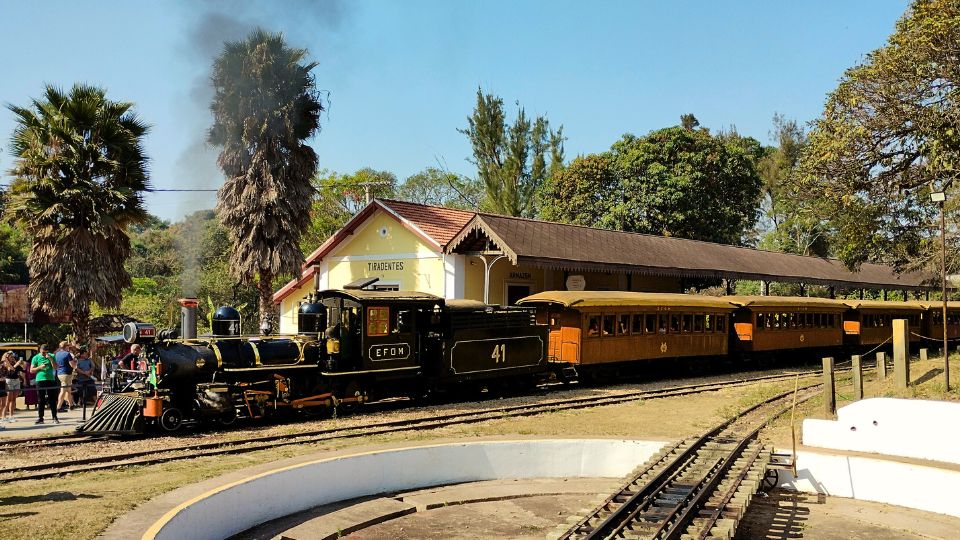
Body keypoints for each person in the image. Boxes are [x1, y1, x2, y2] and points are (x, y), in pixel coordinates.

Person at [30, 344, 58, 424]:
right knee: (41, 400)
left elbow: (55, 367)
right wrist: (39, 367)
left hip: (50, 379)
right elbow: (31, 370)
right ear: (40, 350)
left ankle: (54, 417)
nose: (44, 354)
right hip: (40, 380)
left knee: (52, 399)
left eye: (46, 352)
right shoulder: (35, 357)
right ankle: (40, 418)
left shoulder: (52, 356)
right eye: (43, 352)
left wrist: (51, 359)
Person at [0, 352, 25, 422]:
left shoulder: (15, 362)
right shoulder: (4, 364)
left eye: (12, 356)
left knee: (13, 399)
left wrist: (22, 364)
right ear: (6, 357)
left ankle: (11, 416)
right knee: (8, 400)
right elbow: (10, 371)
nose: (12, 358)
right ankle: (4, 416)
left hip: (16, 381)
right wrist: (16, 364)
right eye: (10, 356)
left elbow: (23, 370)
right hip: (9, 381)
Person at [54, 341, 77, 412]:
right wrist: (75, 362)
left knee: (68, 389)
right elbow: (72, 365)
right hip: (66, 374)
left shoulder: (57, 354)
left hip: (59, 373)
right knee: (63, 391)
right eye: (68, 346)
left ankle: (71, 405)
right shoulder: (67, 354)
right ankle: (58, 407)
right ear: (66, 347)